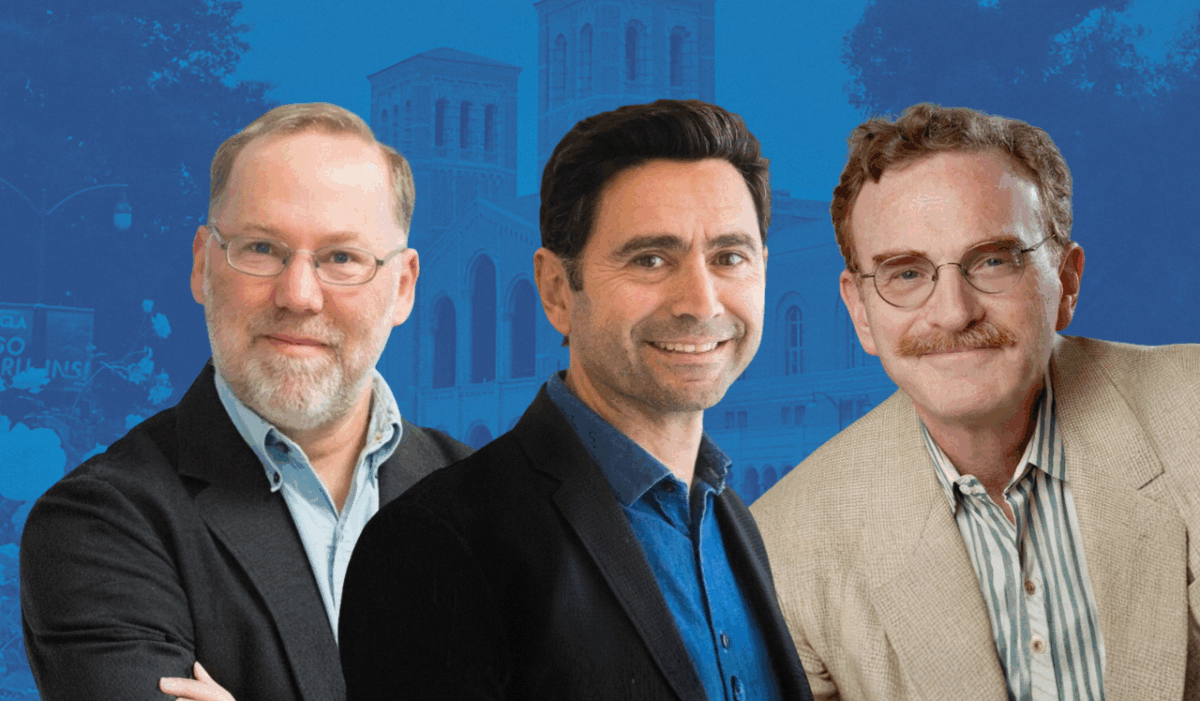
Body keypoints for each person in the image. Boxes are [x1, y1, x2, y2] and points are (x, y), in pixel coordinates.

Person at [338, 99, 813, 700]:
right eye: (650, 259)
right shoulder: (436, 545)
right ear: (557, 289)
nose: (702, 301)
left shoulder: (733, 522)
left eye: (730, 258)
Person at [20, 103, 472, 701]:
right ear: (203, 264)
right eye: (262, 249)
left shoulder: (488, 501)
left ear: (403, 288)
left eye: (342, 258)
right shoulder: (99, 523)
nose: (299, 295)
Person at [752, 102, 1200, 701]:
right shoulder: (786, 548)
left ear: (1066, 283)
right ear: (860, 312)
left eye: (993, 260)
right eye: (905, 273)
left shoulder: (1190, 414)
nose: (954, 313)